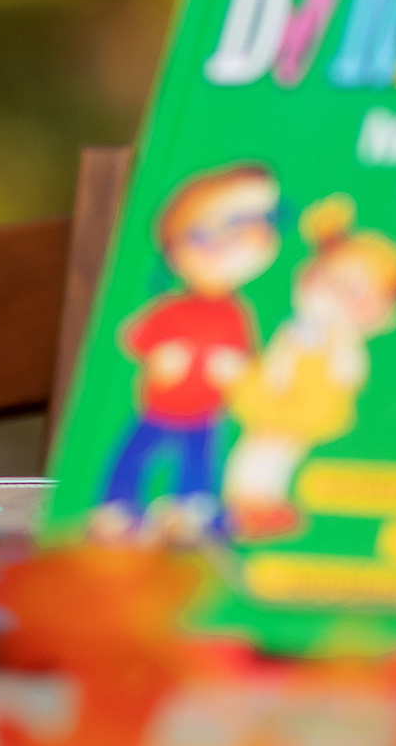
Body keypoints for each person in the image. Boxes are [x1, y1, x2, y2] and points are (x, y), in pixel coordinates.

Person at [222, 195, 396, 540]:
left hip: (313, 402)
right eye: (333, 282)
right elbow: (281, 359)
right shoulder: (299, 329)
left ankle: (267, 502)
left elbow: (350, 371)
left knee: (285, 452)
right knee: (261, 445)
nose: (339, 296)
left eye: (359, 293)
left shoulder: (344, 340)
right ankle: (242, 502)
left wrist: (340, 365)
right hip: (282, 396)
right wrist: (274, 380)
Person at [94, 162, 275, 539]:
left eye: (254, 225)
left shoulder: (234, 311)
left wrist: (236, 367)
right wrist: (160, 352)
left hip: (205, 408)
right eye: (213, 233)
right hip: (161, 404)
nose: (239, 242)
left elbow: (247, 356)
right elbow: (135, 334)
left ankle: (191, 508)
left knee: (199, 460)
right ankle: (119, 505)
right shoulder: (173, 306)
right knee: (136, 453)